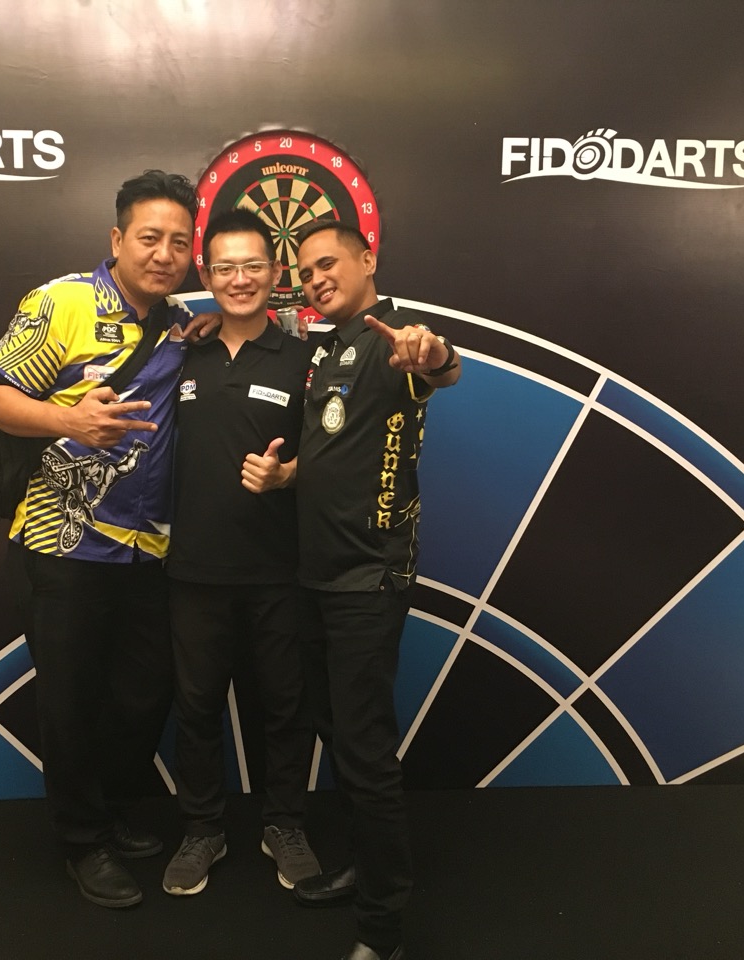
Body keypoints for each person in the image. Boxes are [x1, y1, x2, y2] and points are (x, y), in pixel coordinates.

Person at [0, 170, 198, 910]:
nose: (164, 254)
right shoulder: (61, 302)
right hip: (59, 544)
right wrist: (68, 420)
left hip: (147, 550)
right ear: (117, 238)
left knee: (143, 692)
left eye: (179, 242)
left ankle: (110, 809)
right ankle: (82, 842)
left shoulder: (178, 321)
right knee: (69, 701)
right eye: (150, 238)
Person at [248, 220, 460, 960]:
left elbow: (440, 367)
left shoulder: (394, 341)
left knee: (366, 753)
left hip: (368, 578)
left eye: (328, 264)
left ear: (369, 260)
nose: (316, 279)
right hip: (315, 575)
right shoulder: (324, 349)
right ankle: (367, 869)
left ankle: (382, 926)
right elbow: (337, 452)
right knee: (337, 734)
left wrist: (434, 354)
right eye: (305, 272)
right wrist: (287, 475)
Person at [160, 209, 321, 897]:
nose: (239, 278)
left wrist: (290, 474)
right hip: (193, 569)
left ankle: (284, 823)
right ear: (207, 275)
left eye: (252, 265)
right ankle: (203, 828)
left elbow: (338, 454)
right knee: (196, 705)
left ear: (275, 272)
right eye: (224, 267)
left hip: (279, 568)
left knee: (284, 704)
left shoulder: (303, 359)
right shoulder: (180, 352)